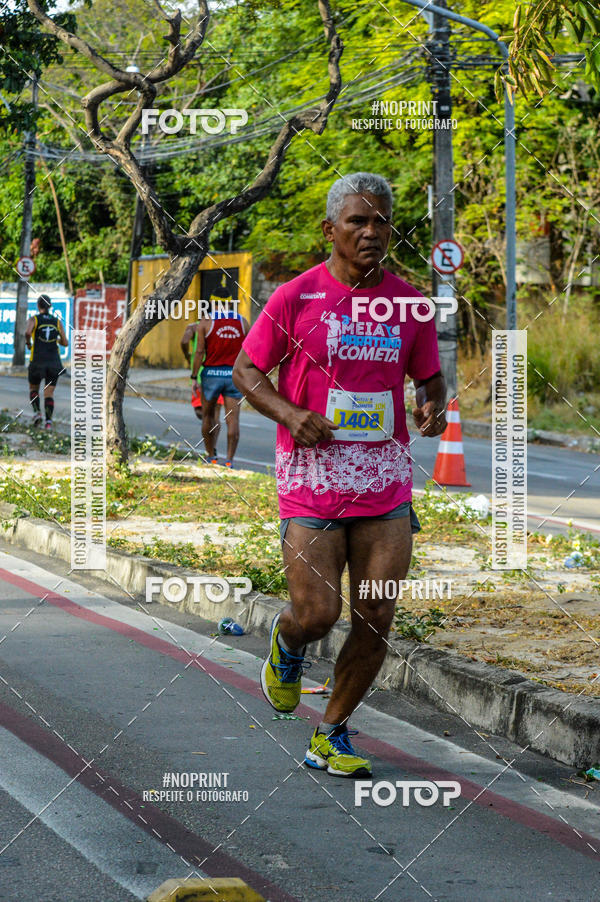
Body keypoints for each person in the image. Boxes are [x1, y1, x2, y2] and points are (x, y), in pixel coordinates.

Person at [233, 172, 447, 777]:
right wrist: (291, 413)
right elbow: (248, 370)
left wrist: (433, 403)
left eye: (381, 221)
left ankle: (332, 733)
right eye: (358, 221)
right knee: (318, 614)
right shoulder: (297, 297)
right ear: (331, 229)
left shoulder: (410, 303)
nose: (372, 232)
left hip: (385, 480)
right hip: (313, 480)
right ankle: (288, 642)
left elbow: (429, 377)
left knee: (376, 613)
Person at [189, 302, 249, 467]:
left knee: (208, 416)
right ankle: (229, 460)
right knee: (233, 419)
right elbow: (249, 351)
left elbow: (199, 351)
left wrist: (194, 377)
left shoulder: (206, 322)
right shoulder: (243, 322)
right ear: (231, 303)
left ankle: (211, 456)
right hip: (233, 375)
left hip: (211, 376)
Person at [25, 294, 68, 429]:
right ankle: (48, 423)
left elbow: (27, 332)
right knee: (49, 393)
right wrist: (56, 340)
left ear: (38, 306)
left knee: (34, 389)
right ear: (49, 306)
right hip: (54, 363)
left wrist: (29, 343)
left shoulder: (34, 319)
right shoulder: (57, 322)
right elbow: (65, 343)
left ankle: (37, 413)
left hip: (37, 361)